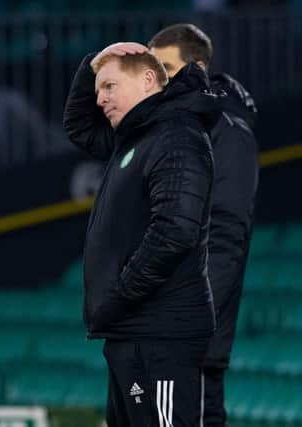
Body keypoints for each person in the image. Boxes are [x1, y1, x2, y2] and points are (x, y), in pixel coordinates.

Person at [63, 45, 217, 426]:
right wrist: (92, 64)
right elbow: (78, 126)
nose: (99, 99)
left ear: (148, 80)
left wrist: (120, 295)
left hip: (160, 334)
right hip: (131, 332)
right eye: (98, 90)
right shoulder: (134, 137)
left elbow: (176, 230)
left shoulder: (177, 134)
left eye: (109, 86)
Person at [148, 24, 259, 426]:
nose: (154, 79)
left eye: (164, 68)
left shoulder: (228, 131)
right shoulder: (172, 128)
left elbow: (227, 232)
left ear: (196, 67)